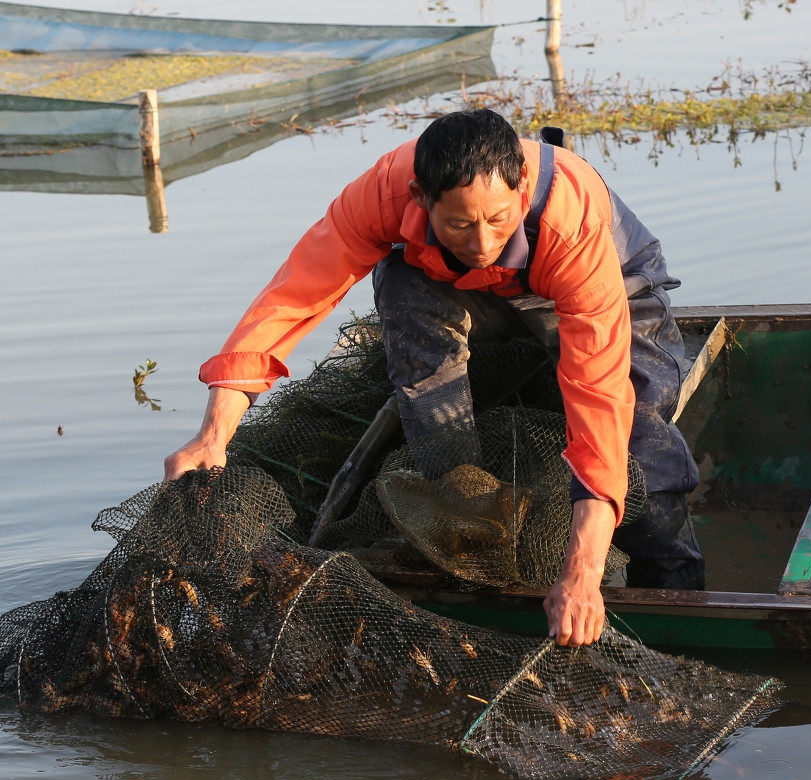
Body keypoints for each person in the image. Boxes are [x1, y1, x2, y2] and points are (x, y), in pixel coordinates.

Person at [164, 109, 704, 648]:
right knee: (403, 283)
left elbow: (598, 399)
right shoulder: (381, 195)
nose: (483, 240)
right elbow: (293, 297)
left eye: (497, 219)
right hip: (464, 291)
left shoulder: (571, 222)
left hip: (610, 287)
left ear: (519, 188)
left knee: (641, 440)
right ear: (420, 197)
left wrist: (582, 574)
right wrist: (213, 436)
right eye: (460, 224)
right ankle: (463, 521)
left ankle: (676, 596)